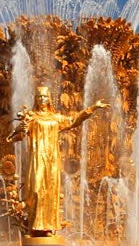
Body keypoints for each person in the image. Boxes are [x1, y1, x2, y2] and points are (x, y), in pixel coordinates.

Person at [6, 86, 108, 236]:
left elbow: (74, 120)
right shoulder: (31, 118)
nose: (42, 99)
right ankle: (33, 227)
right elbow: (15, 138)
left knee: (50, 191)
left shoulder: (56, 118)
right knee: (36, 190)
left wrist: (93, 108)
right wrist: (19, 129)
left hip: (52, 159)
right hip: (37, 158)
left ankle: (48, 227)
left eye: (45, 97)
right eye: (39, 97)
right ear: (36, 99)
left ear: (49, 99)